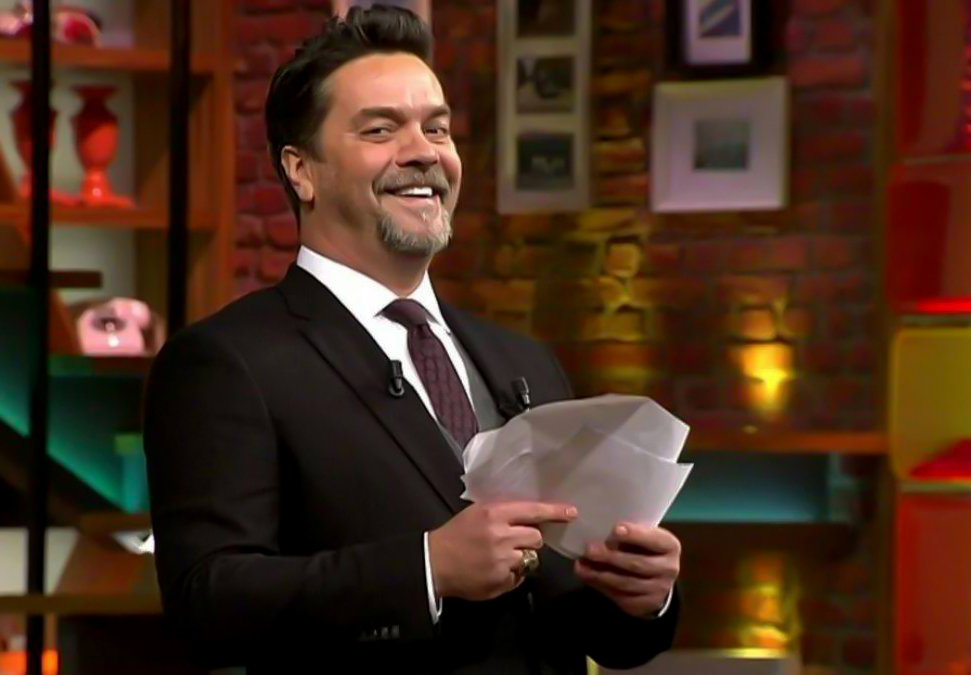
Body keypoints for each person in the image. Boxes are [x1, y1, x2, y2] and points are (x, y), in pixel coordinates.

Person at [143, 6, 680, 673]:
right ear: (301, 170)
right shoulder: (229, 362)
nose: (424, 151)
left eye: (437, 127)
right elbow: (207, 601)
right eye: (380, 129)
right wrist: (426, 569)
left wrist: (640, 597)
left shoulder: (522, 359)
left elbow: (572, 616)